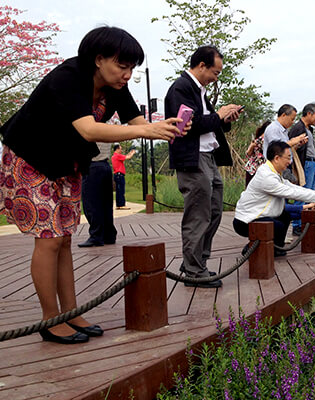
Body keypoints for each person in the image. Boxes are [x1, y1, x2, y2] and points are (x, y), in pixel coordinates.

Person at [0, 26, 187, 344]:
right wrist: (147, 132)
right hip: (30, 158)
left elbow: (137, 122)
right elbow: (88, 129)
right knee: (48, 240)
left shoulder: (115, 86)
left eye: (131, 68)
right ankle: (50, 319)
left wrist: (165, 127)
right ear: (98, 59)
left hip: (66, 163)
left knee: (64, 240)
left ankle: (70, 313)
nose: (127, 75)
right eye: (122, 66)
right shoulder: (69, 76)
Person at [164, 45, 243, 289]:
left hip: (208, 157)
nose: (216, 77)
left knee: (215, 210)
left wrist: (224, 120)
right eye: (215, 72)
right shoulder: (181, 89)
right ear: (201, 66)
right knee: (198, 214)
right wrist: (218, 115)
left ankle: (195, 261)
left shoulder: (198, 91)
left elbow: (207, 123)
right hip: (193, 158)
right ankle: (194, 271)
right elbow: (189, 125)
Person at [233, 141, 315, 256]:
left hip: (259, 215)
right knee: (278, 225)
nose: (290, 162)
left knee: (285, 216)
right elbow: (290, 192)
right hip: (245, 221)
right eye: (288, 157)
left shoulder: (274, 173)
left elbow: (292, 187)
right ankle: (251, 249)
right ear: (277, 158)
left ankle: (276, 247)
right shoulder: (266, 176)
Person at [288, 103, 315, 236]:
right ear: (309, 114)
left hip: (311, 163)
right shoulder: (298, 128)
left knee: (310, 193)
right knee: (301, 193)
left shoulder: (309, 129)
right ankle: (297, 225)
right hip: (304, 163)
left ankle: (306, 222)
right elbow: (289, 147)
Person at [78, 142, 117, 248]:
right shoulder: (107, 128)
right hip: (105, 166)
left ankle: (96, 236)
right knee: (106, 204)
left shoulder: (90, 128)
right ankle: (109, 235)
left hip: (92, 166)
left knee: (91, 204)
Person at [244, 121, 270, 187]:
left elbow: (248, 154)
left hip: (252, 169)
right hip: (256, 169)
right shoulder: (262, 140)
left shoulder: (258, 139)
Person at [111, 143, 135, 210]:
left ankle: (119, 205)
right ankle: (121, 204)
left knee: (118, 191)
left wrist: (129, 153)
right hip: (119, 175)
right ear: (117, 149)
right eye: (121, 149)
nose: (121, 150)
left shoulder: (114, 156)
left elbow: (125, 156)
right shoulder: (117, 156)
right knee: (121, 190)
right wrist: (132, 153)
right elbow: (128, 157)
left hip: (117, 175)